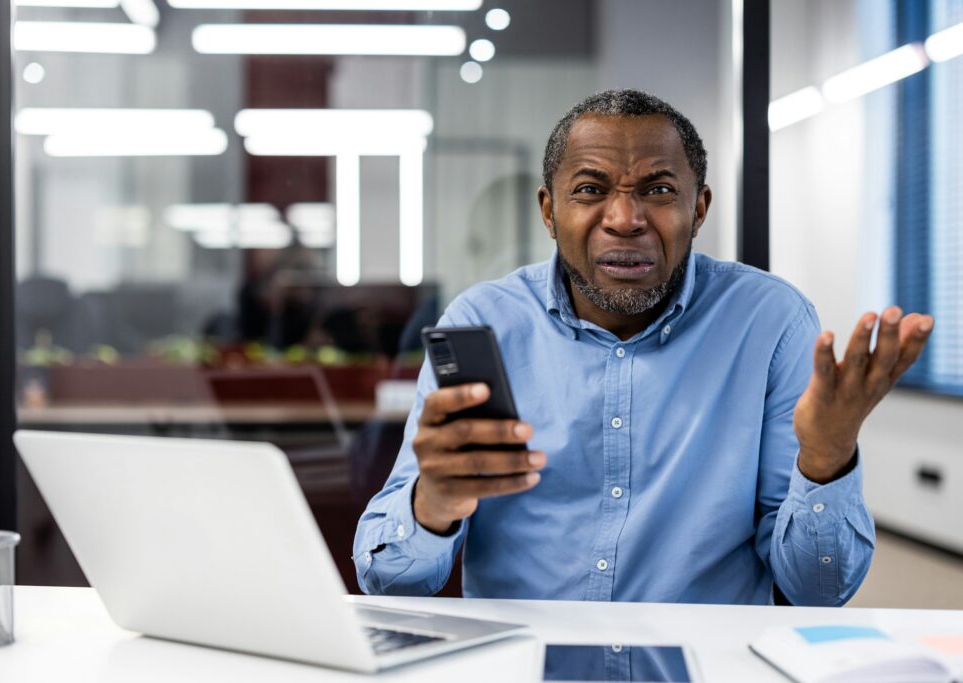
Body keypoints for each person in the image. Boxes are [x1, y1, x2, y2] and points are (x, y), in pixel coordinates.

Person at [353, 90, 934, 606]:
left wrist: (827, 455)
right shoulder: (484, 324)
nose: (626, 219)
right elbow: (390, 581)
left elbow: (818, 590)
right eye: (590, 190)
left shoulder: (771, 322)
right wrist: (431, 504)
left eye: (658, 190)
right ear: (549, 211)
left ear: (698, 209)